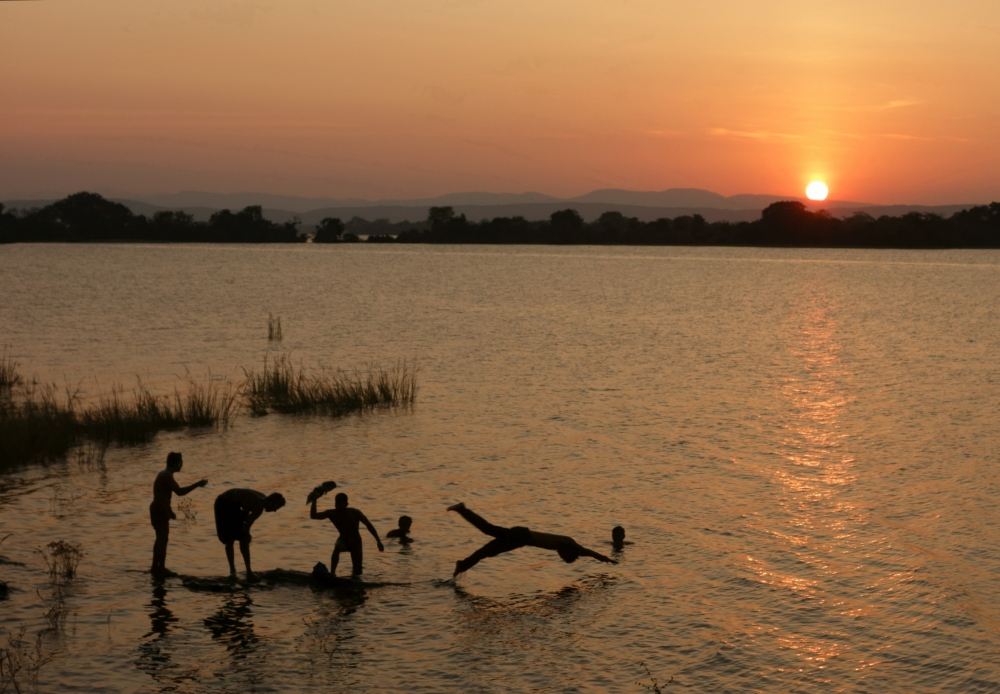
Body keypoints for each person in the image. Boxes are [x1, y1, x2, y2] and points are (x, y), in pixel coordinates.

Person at [447, 502, 617, 576]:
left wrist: (605, 559)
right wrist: (605, 558)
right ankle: (463, 564)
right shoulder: (569, 543)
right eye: (564, 557)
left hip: (520, 536)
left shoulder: (570, 546)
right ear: (568, 552)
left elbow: (591, 554)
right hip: (520, 537)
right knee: (487, 548)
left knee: (487, 536)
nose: (560, 557)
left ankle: (463, 564)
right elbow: (589, 552)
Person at [149, 452, 207, 576]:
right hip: (159, 510)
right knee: (162, 539)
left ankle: (155, 567)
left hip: (158, 509)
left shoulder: (164, 474)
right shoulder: (167, 476)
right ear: (175, 464)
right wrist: (197, 484)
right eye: (181, 462)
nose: (182, 465)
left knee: (160, 539)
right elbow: (179, 492)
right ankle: (161, 568)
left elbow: (163, 495)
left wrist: (170, 511)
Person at [213, 488, 286, 581]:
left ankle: (241, 571)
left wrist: (244, 527)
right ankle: (241, 572)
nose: (274, 511)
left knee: (241, 538)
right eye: (276, 508)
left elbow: (245, 509)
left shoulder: (262, 498)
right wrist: (247, 534)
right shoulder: (260, 506)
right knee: (232, 539)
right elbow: (246, 527)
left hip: (233, 503)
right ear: (272, 503)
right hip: (223, 503)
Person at [310, 492, 384, 576]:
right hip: (343, 540)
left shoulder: (355, 512)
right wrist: (314, 500)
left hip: (356, 542)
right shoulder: (331, 513)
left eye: (341, 504)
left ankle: (356, 579)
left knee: (357, 570)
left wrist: (378, 541)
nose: (339, 506)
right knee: (337, 548)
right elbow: (313, 516)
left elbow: (368, 525)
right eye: (337, 503)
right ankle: (332, 573)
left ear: (346, 504)